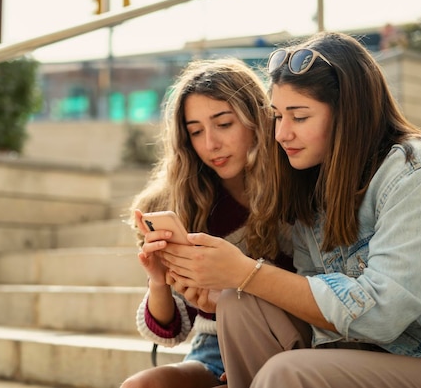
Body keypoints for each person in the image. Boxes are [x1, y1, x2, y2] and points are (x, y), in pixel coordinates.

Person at [146, 31, 421, 388]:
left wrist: (247, 272)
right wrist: (224, 286)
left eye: (300, 117)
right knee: (239, 303)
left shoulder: (419, 173)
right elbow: (316, 295)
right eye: (278, 116)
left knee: (283, 371)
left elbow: (383, 313)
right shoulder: (313, 184)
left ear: (348, 114)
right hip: (376, 352)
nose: (280, 134)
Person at [120, 58, 294, 388]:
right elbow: (172, 331)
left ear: (256, 119)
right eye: (196, 131)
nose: (210, 144)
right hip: (214, 347)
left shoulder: (295, 183)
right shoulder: (184, 199)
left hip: (291, 337)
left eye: (224, 124)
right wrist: (158, 282)